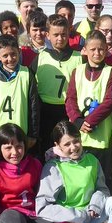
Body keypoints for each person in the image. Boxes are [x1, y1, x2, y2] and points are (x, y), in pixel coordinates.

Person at [65, 30, 112, 189]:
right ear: (85, 50)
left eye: (101, 49)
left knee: (99, 177)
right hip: (80, 135)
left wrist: (89, 121)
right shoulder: (78, 70)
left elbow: (110, 101)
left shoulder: (110, 72)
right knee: (80, 175)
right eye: (93, 49)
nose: (97, 53)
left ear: (107, 50)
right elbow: (70, 98)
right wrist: (78, 121)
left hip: (101, 136)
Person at [30, 14, 83, 151]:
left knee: (67, 148)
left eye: (64, 34)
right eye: (56, 34)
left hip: (68, 110)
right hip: (44, 110)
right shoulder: (41, 57)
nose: (60, 38)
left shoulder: (79, 58)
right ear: (48, 35)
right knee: (45, 149)